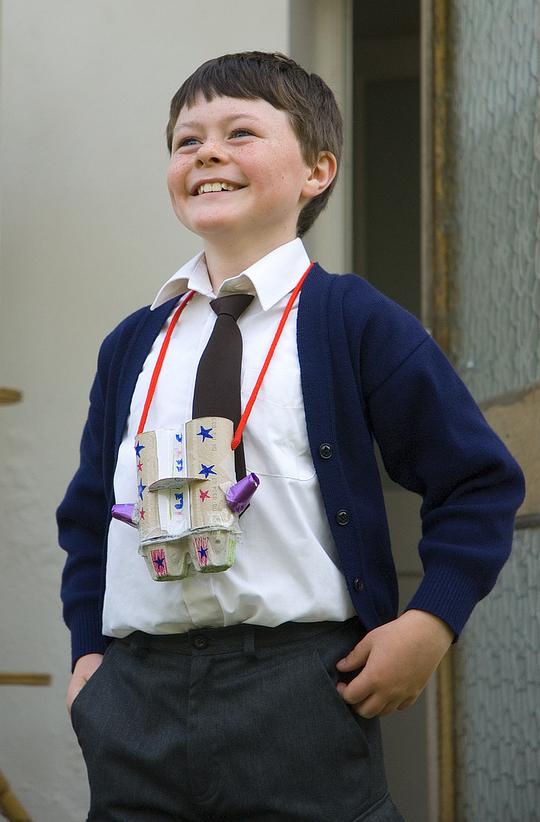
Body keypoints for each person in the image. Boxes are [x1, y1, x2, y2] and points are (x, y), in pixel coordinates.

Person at [57, 51, 525, 821]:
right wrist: (87, 657)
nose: (207, 153)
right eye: (186, 140)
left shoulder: (353, 321)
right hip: (134, 696)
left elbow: (476, 480)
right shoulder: (132, 344)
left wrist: (431, 621)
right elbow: (86, 517)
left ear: (317, 171)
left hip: (300, 689)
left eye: (239, 132)